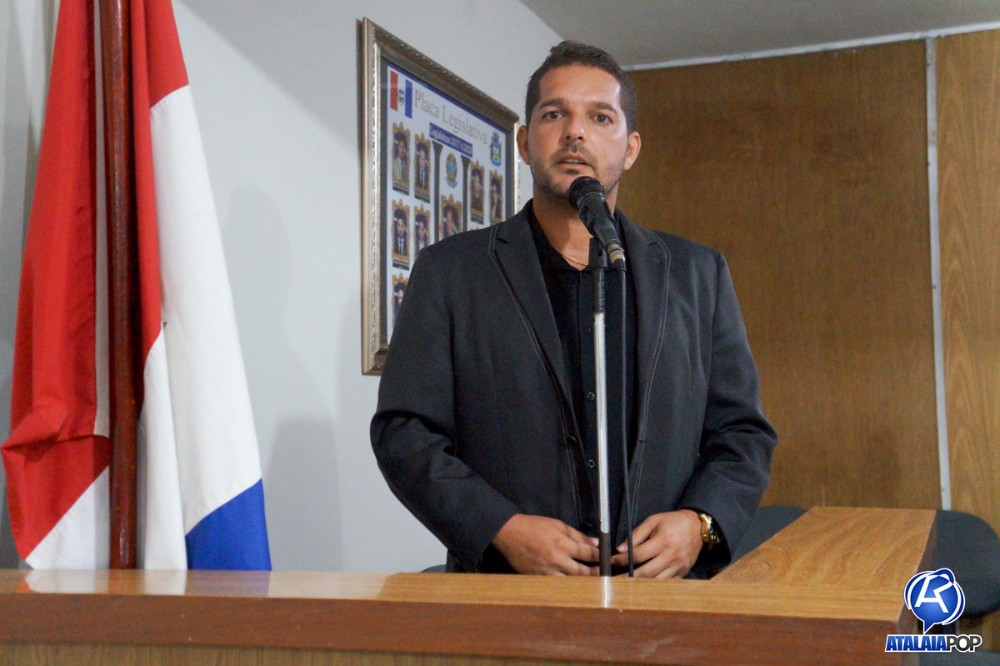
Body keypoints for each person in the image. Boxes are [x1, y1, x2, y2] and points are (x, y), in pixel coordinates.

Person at [371, 41, 776, 578]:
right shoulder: (451, 271)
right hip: (507, 593)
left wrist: (700, 524)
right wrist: (501, 528)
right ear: (524, 142)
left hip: (664, 594)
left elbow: (742, 433)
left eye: (600, 117)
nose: (575, 132)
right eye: (554, 114)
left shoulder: (698, 275)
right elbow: (405, 432)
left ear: (630, 148)